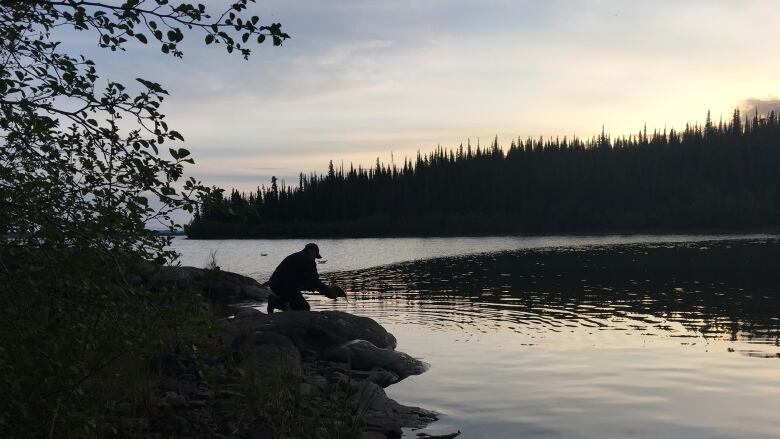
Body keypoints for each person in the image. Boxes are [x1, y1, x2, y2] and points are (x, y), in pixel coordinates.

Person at [266, 243, 344, 313]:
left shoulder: (296, 256)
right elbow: (314, 281)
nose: (315, 258)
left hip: (274, 284)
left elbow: (305, 280)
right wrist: (329, 292)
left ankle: (276, 302)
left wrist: (311, 287)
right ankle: (275, 303)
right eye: (315, 255)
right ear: (311, 251)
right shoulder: (308, 261)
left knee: (293, 302)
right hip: (285, 286)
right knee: (304, 308)